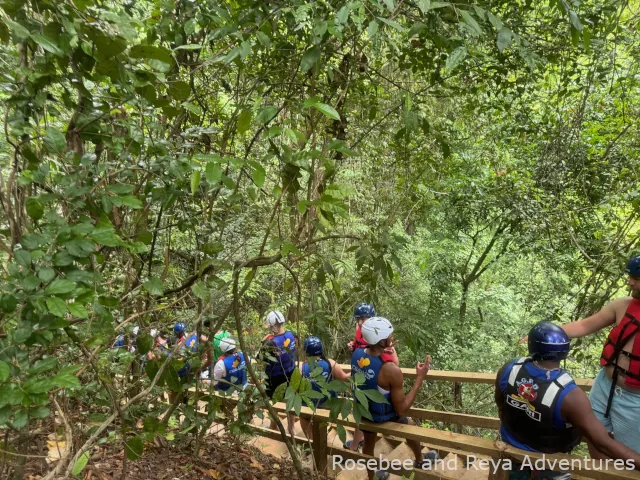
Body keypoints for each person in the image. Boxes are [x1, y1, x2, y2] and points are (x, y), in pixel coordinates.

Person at [520, 256, 640, 455]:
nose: (630, 282)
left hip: (635, 399)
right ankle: (599, 474)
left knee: (631, 454)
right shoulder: (622, 305)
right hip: (605, 386)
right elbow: (585, 325)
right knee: (593, 435)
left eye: (636, 278)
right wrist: (548, 334)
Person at [496, 321, 640, 479]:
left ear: (532, 346)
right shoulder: (570, 395)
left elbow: (501, 405)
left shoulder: (510, 369)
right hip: (550, 458)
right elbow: (602, 443)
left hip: (511, 445)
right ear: (564, 351)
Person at [352, 317, 436, 480]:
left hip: (364, 411)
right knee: (410, 426)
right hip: (382, 416)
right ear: (382, 340)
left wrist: (383, 349)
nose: (392, 337)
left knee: (369, 441)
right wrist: (419, 378)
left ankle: (371, 477)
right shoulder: (390, 370)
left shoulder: (357, 354)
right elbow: (402, 409)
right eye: (389, 335)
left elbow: (370, 368)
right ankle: (420, 460)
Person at [346, 303, 399, 452]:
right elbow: (361, 350)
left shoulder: (381, 335)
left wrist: (386, 352)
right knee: (361, 411)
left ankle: (357, 445)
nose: (361, 322)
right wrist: (353, 346)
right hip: (361, 376)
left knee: (373, 415)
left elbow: (395, 363)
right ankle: (358, 443)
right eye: (359, 319)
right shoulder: (360, 332)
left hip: (375, 380)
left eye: (364, 318)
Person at [299, 336, 349, 440]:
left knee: (303, 418)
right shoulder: (330, 363)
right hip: (328, 404)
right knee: (321, 419)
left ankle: (313, 440)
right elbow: (345, 378)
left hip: (310, 405)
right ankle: (319, 440)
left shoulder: (302, 367)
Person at [261, 310, 297, 435]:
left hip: (275, 376)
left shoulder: (270, 343)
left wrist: (263, 343)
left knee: (273, 401)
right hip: (291, 372)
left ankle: (273, 426)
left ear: (272, 325)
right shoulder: (291, 335)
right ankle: (291, 428)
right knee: (289, 400)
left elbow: (260, 358)